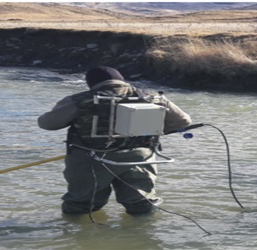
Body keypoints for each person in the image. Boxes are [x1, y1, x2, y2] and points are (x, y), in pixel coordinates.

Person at [38, 66, 192, 215]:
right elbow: (183, 121)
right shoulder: (154, 97)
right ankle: (142, 236)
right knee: (142, 203)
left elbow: (47, 124)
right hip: (140, 158)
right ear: (121, 79)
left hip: (92, 159)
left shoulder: (78, 100)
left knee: (80, 204)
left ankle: (77, 236)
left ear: (91, 83)